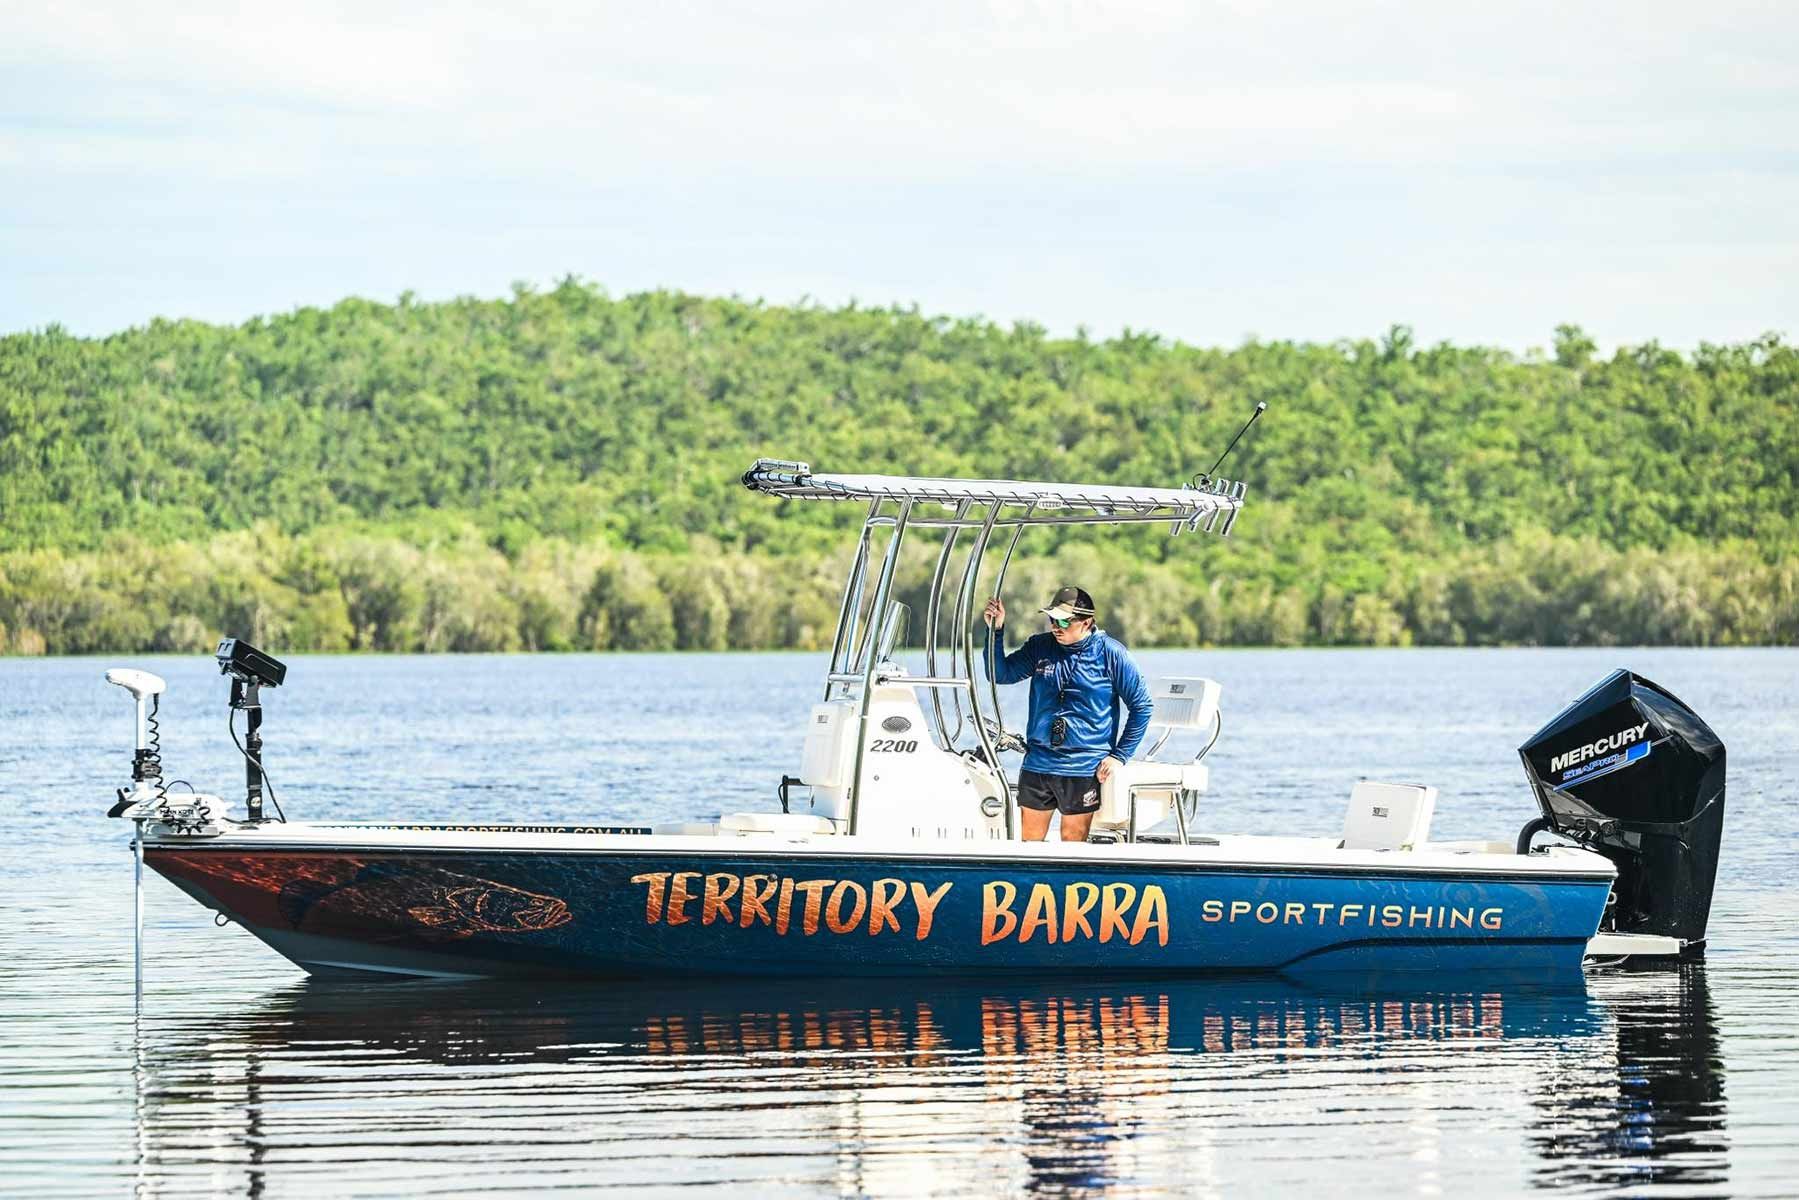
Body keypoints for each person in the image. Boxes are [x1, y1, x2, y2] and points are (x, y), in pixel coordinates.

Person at [981, 586, 1153, 842]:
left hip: (1083, 767)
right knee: (1029, 845)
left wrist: (1119, 756)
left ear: (1087, 622)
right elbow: (1000, 674)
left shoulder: (1112, 653)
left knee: (1072, 845)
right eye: (1052, 619)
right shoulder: (1040, 646)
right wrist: (995, 631)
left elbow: (1142, 708)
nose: (1055, 626)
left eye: (1063, 620)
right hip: (1038, 762)